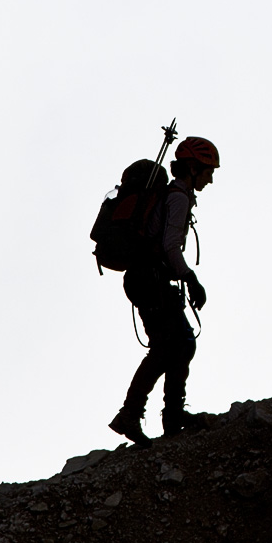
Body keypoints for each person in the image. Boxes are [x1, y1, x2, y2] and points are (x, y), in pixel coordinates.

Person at [108, 136, 220, 446]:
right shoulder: (178, 198)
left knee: (179, 344)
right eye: (208, 171)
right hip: (150, 279)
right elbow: (170, 246)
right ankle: (137, 415)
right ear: (193, 168)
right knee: (170, 345)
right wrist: (191, 279)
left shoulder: (174, 195)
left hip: (146, 279)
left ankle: (167, 415)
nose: (210, 179)